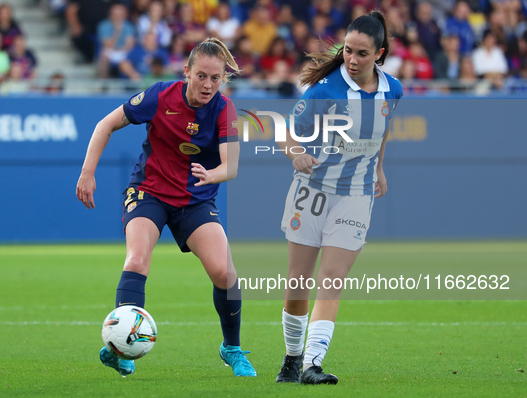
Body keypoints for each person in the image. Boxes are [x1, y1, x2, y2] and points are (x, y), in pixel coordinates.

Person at [76, 37, 257, 378]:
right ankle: (120, 348)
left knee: (225, 273)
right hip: (150, 192)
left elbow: (230, 167)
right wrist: (87, 172)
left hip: (195, 199)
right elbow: (105, 125)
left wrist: (212, 173)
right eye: (201, 75)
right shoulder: (160, 95)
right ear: (186, 71)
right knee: (137, 259)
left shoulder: (224, 109)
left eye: (215, 78)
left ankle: (231, 348)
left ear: (222, 79)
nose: (207, 85)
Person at [275, 11, 403, 385]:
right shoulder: (325, 90)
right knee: (299, 279)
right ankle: (292, 358)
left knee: (331, 279)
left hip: (356, 196)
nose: (352, 59)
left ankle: (312, 363)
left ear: (379, 53)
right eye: (348, 50)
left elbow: (381, 130)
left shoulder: (392, 89)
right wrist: (295, 154)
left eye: (362, 53)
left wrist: (378, 168)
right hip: (312, 192)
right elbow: (285, 132)